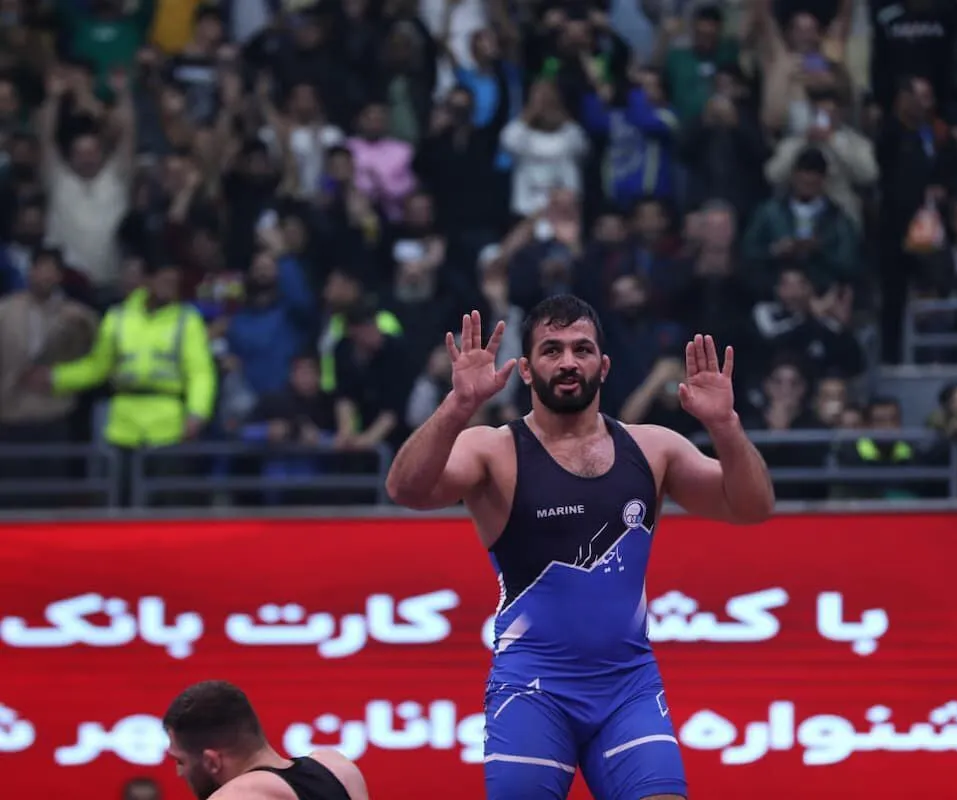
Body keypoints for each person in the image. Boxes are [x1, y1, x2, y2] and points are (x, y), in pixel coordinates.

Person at [386, 295, 774, 800]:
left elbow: (752, 507)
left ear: (603, 366)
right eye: (552, 350)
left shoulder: (652, 448)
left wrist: (724, 426)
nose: (568, 361)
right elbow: (406, 490)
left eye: (582, 349)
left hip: (628, 688)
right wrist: (458, 406)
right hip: (532, 691)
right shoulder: (494, 450)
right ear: (526, 369)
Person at [163, 680, 369, 800]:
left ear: (212, 761)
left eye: (181, 761)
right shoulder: (338, 769)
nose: (180, 772)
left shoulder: (232, 797)